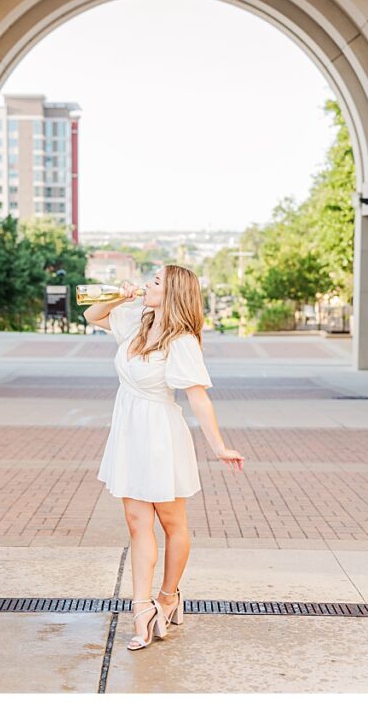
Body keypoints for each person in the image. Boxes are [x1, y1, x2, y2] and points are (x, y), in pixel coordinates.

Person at [84, 264, 244, 651]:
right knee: (137, 523)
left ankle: (169, 597)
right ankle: (142, 609)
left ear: (171, 293)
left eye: (155, 281)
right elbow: (91, 315)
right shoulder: (137, 321)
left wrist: (219, 446)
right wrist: (119, 295)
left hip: (160, 437)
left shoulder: (182, 340)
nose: (147, 284)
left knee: (172, 523)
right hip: (129, 434)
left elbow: (198, 398)